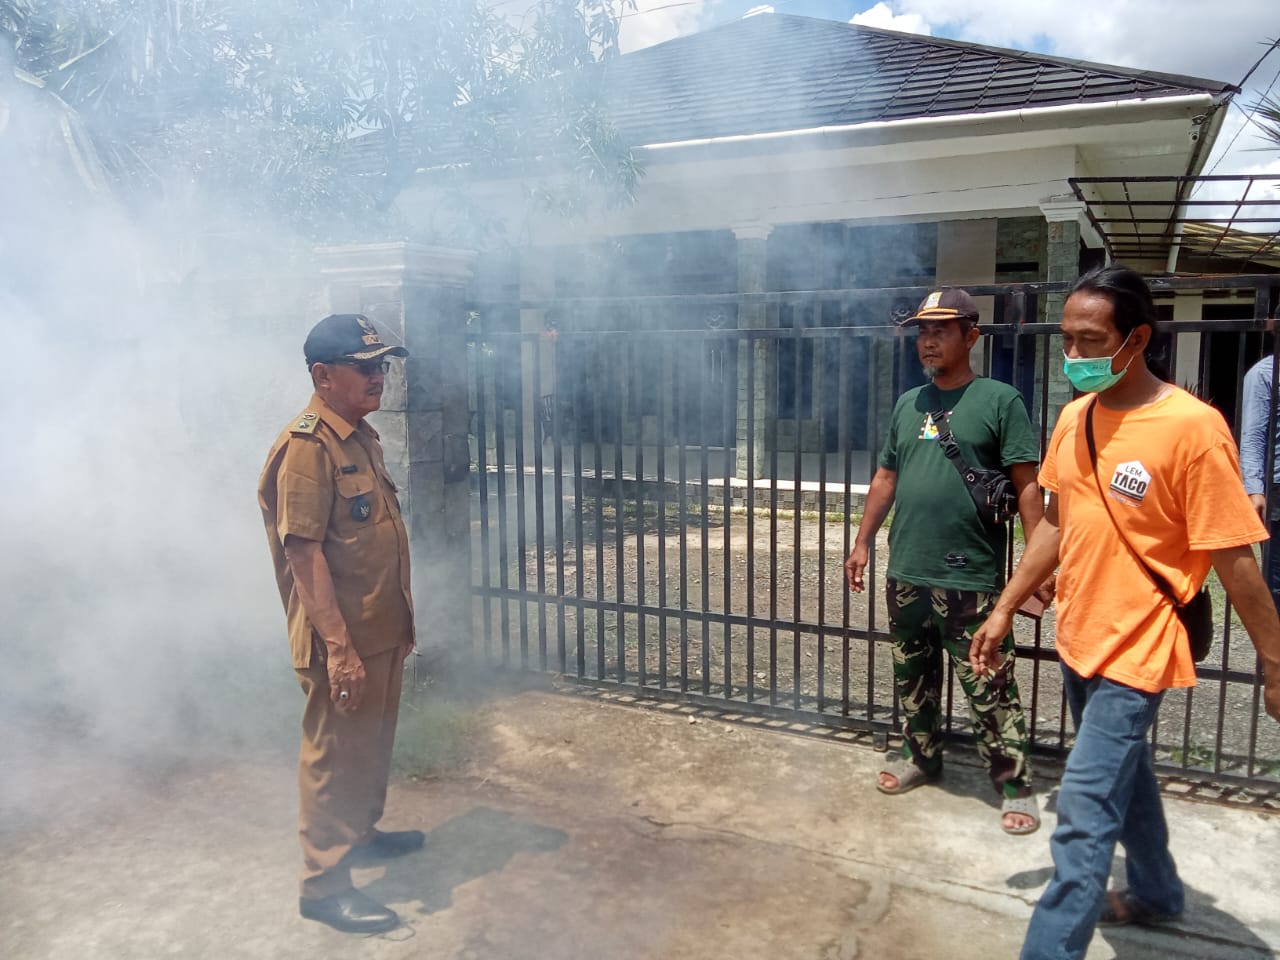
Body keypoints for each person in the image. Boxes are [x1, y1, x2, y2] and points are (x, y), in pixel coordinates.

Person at [970, 265, 1280, 960]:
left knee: (1083, 815)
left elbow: (1233, 558)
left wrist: (1274, 661)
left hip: (1140, 648)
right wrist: (1005, 608)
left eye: (1091, 340)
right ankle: (1159, 893)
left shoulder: (1192, 429)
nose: (1074, 355)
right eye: (1067, 340)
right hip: (1080, 632)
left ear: (1137, 338)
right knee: (1124, 772)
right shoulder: (1075, 417)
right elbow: (1055, 523)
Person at [844, 287, 1047, 835]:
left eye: (941, 330)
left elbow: (1027, 486)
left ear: (971, 336)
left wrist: (1038, 562)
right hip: (907, 568)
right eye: (922, 332)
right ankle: (921, 756)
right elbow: (886, 477)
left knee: (988, 680)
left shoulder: (1000, 401)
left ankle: (1013, 783)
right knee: (912, 673)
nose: (928, 341)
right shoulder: (909, 404)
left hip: (970, 574)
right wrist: (862, 542)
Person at [258, 314, 422, 934]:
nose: (379, 377)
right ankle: (323, 886)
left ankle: (361, 834)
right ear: (323, 376)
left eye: (383, 365)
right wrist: (340, 650)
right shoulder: (308, 448)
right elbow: (304, 554)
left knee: (370, 742)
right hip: (342, 640)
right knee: (334, 756)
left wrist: (397, 624)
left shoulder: (358, 436)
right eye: (365, 367)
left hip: (378, 628)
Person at [1241, 338, 1280, 610]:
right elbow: (1253, 436)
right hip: (1278, 485)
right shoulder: (1264, 374)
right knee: (1276, 581)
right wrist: (1254, 488)